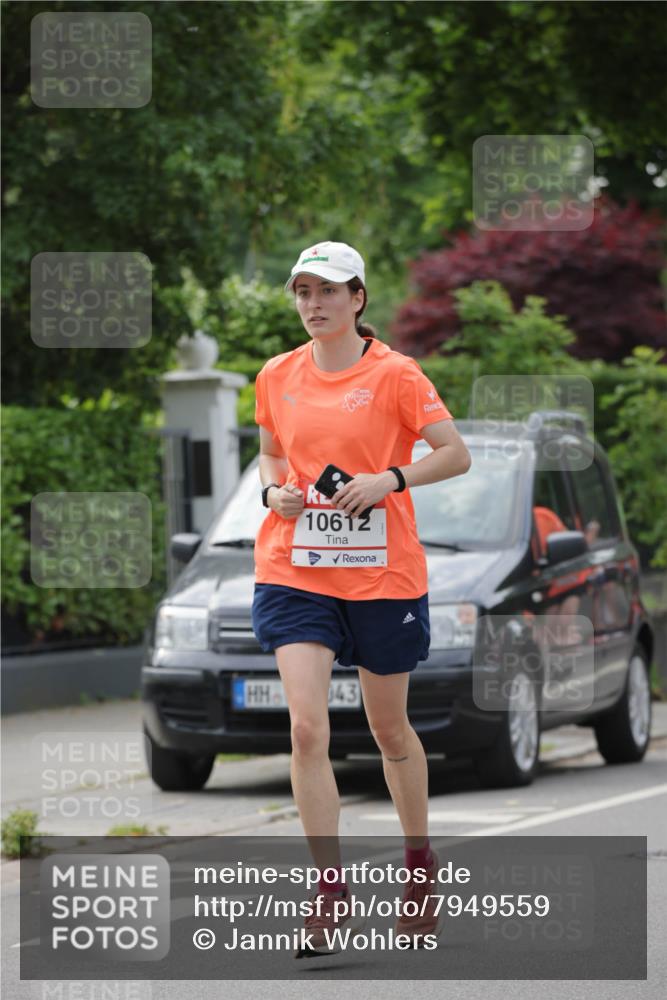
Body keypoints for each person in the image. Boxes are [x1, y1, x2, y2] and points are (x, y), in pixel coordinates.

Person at [251, 240, 471, 955]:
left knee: (387, 732)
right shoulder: (276, 374)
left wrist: (392, 480)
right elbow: (271, 452)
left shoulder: (397, 375)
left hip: (381, 574)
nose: (312, 304)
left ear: (357, 300)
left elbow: (453, 451)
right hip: (297, 567)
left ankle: (416, 867)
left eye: (327, 291)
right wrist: (271, 492)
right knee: (306, 730)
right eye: (302, 292)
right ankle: (329, 893)